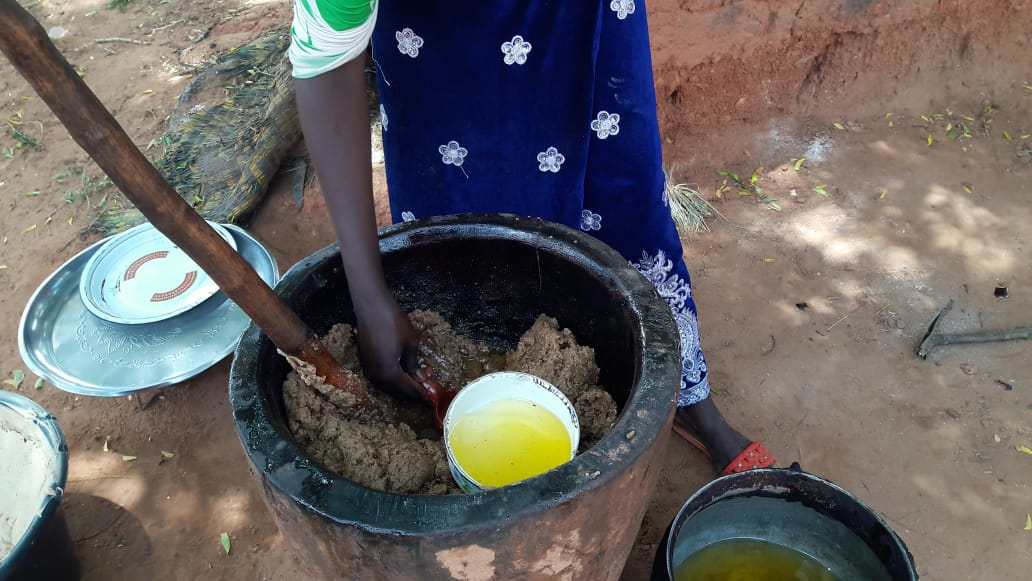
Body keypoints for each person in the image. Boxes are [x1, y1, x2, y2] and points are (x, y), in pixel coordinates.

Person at [289, 0, 774, 475]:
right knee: (465, 213)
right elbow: (324, 60)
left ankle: (686, 392)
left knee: (624, 193)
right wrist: (368, 294)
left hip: (584, 16)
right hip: (442, 45)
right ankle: (473, 380)